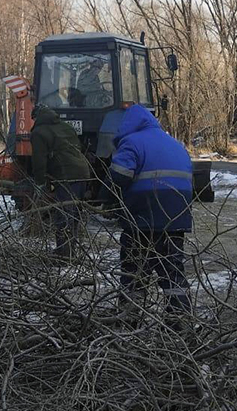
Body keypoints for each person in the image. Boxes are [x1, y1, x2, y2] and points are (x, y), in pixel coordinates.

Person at [107, 104, 193, 318]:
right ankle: (179, 321)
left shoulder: (131, 142)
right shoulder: (175, 144)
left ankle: (129, 319)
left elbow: (118, 177)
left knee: (133, 271)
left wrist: (108, 202)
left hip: (143, 217)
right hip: (176, 218)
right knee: (173, 272)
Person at [29, 105, 92, 260]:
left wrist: (39, 182)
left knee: (63, 214)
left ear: (37, 117)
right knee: (74, 214)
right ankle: (71, 250)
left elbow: (39, 160)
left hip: (66, 175)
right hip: (83, 172)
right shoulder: (65, 126)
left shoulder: (39, 133)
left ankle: (64, 254)